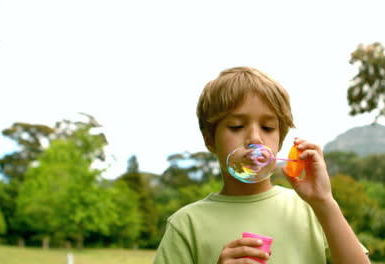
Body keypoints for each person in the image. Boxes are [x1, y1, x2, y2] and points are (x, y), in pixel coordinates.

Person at [154, 66, 370, 264]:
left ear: (280, 141)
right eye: (237, 126)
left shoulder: (312, 210)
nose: (255, 138)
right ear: (210, 139)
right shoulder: (187, 224)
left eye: (267, 128)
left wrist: (324, 202)